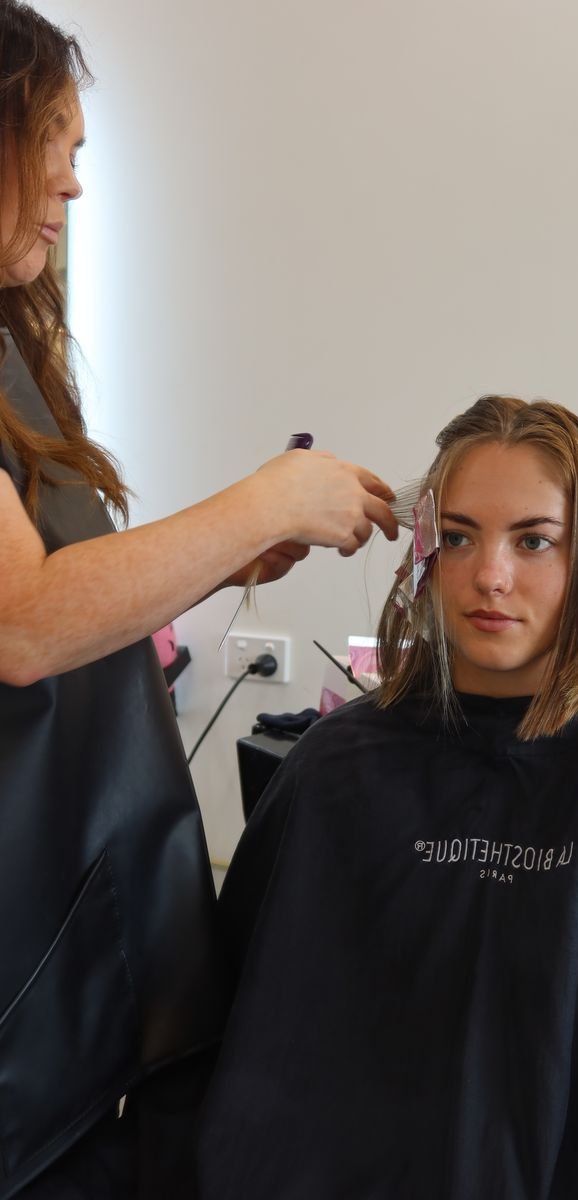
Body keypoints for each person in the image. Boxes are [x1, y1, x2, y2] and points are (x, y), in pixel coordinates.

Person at [0, 3, 398, 1198]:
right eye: (56, 141)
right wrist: (267, 500)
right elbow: (22, 623)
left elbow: (58, 586)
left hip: (81, 904)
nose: (74, 181)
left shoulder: (12, 349)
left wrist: (220, 562)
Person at [197, 395, 578, 1200]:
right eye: (457, 537)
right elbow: (241, 1035)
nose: (490, 576)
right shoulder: (335, 767)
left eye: (535, 540)